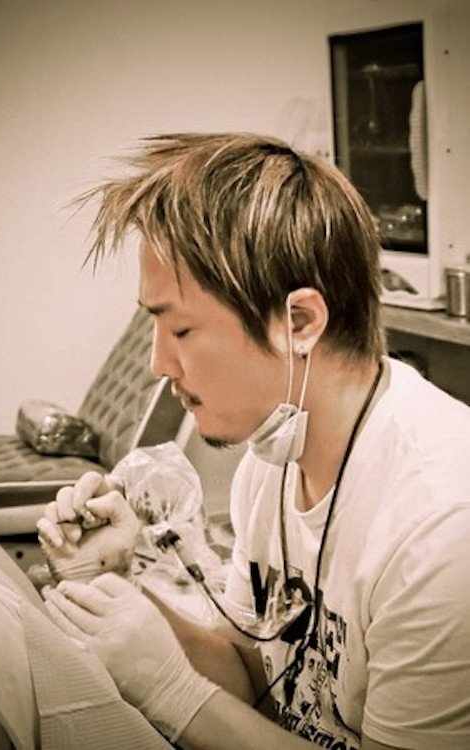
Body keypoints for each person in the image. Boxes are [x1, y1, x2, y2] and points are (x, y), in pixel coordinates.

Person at [39, 132, 470, 750]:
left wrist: (169, 691)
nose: (158, 364)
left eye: (181, 330)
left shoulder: (442, 524)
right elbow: (251, 675)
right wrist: (120, 592)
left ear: (300, 322)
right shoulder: (274, 454)